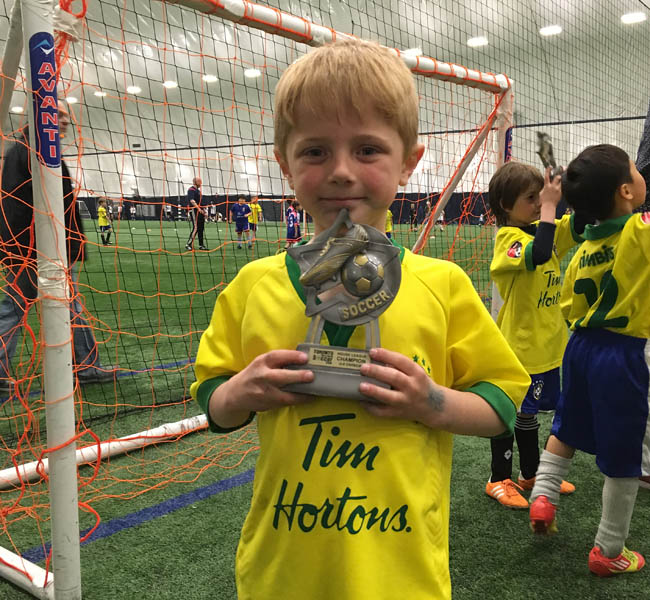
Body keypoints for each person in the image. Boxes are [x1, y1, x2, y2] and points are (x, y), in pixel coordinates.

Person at [190, 39, 530, 600]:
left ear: (409, 162)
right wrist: (240, 393)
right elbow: (214, 401)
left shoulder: (442, 286)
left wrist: (431, 402)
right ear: (285, 165)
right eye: (315, 151)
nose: (341, 172)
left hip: (402, 579)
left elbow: (501, 406)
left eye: (368, 149)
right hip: (281, 577)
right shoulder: (252, 287)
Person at [528, 145, 649, 577]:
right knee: (624, 452)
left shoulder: (582, 250)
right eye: (635, 169)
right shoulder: (640, 231)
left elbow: (567, 305)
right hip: (622, 354)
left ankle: (542, 498)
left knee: (566, 426)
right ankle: (609, 550)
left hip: (578, 347)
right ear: (626, 191)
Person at [485, 161, 586, 509]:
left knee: (528, 415)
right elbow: (540, 253)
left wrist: (573, 186)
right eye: (531, 198)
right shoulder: (508, 240)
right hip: (520, 347)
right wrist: (550, 206)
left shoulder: (547, 230)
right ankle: (498, 478)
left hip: (547, 347)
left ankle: (529, 473)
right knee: (508, 412)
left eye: (540, 196)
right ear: (505, 205)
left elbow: (580, 224)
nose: (539, 203)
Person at [0, 101, 114, 392]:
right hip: (41, 249)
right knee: (45, 306)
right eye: (59, 114)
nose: (65, 120)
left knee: (49, 305)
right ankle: (87, 366)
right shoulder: (35, 152)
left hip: (35, 247)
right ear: (39, 115)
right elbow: (32, 207)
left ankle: (86, 365)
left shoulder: (26, 150)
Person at [184, 177, 208, 251]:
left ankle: (201, 245)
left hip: (200, 211)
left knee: (201, 228)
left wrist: (204, 211)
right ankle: (188, 244)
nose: (201, 183)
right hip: (194, 210)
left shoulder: (198, 191)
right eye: (199, 181)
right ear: (195, 182)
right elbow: (192, 200)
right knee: (196, 227)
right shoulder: (191, 190)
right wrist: (198, 209)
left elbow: (201, 202)